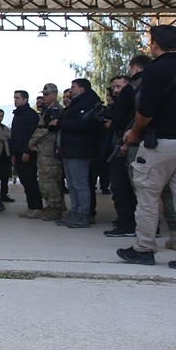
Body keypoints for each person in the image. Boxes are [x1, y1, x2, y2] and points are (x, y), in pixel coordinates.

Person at [116, 25, 176, 271]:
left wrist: (133, 133)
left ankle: (144, 249)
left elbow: (146, 111)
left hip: (159, 145)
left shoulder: (154, 72)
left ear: (154, 43)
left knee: (148, 197)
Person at [50, 78, 102, 229]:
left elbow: (83, 125)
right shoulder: (77, 103)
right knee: (72, 185)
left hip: (79, 150)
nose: (70, 90)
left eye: (73, 87)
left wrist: (59, 123)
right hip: (69, 149)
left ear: (81, 89)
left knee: (80, 185)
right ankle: (75, 212)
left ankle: (83, 214)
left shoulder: (87, 104)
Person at [103, 73, 138, 238]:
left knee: (125, 189)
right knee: (120, 188)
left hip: (127, 150)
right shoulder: (119, 104)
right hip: (118, 148)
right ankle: (126, 220)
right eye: (114, 87)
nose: (116, 91)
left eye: (119, 87)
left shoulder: (132, 103)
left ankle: (128, 224)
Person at [29, 83, 66, 221]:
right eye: (43, 94)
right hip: (44, 150)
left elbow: (45, 131)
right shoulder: (48, 109)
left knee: (50, 181)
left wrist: (30, 143)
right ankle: (53, 206)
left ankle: (54, 208)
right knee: (46, 179)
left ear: (54, 95)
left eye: (46, 94)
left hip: (49, 151)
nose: (43, 97)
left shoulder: (56, 110)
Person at [10, 90, 43, 218]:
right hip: (18, 153)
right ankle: (31, 207)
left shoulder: (30, 115)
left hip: (27, 153)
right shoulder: (17, 115)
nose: (15, 100)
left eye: (17, 98)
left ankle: (37, 207)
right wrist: (14, 154)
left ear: (25, 99)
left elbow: (32, 135)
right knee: (24, 181)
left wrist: (27, 151)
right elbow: (15, 135)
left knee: (31, 180)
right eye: (14, 98)